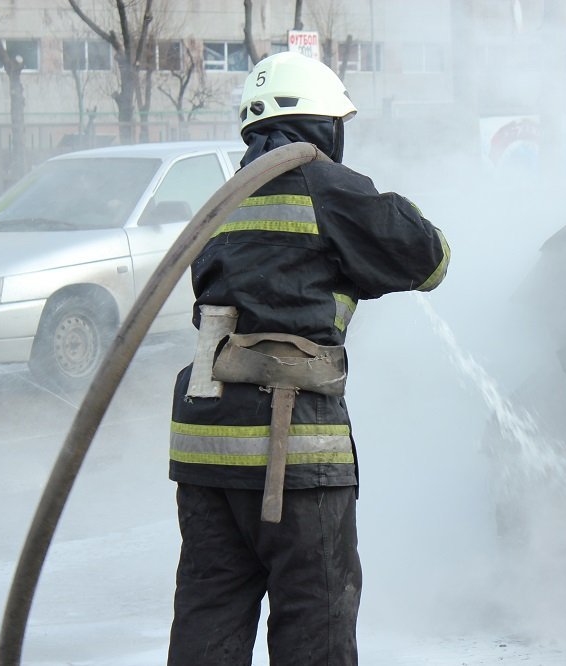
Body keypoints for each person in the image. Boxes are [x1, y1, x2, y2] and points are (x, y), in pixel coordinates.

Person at [166, 51, 450, 665]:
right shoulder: (329, 187)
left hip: (204, 447)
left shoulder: (221, 198)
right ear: (325, 127)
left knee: (209, 612)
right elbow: (428, 259)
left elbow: (269, 277)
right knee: (314, 620)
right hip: (292, 451)